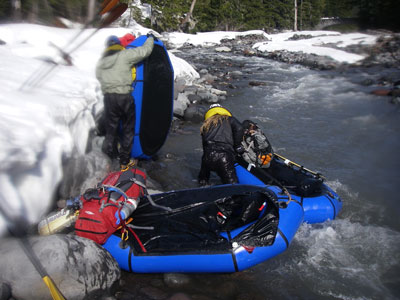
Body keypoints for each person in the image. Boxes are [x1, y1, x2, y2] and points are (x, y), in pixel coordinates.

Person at [96, 34, 154, 171]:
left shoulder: (101, 63)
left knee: (111, 130)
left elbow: (99, 76)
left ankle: (109, 160)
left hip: (109, 98)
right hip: (124, 97)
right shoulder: (125, 55)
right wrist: (150, 39)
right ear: (118, 45)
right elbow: (145, 51)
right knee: (128, 129)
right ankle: (124, 162)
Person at [198, 104, 244, 186]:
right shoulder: (229, 119)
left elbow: (204, 145)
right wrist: (237, 146)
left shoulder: (206, 125)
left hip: (207, 157)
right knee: (232, 187)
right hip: (224, 156)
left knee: (202, 183)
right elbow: (239, 128)